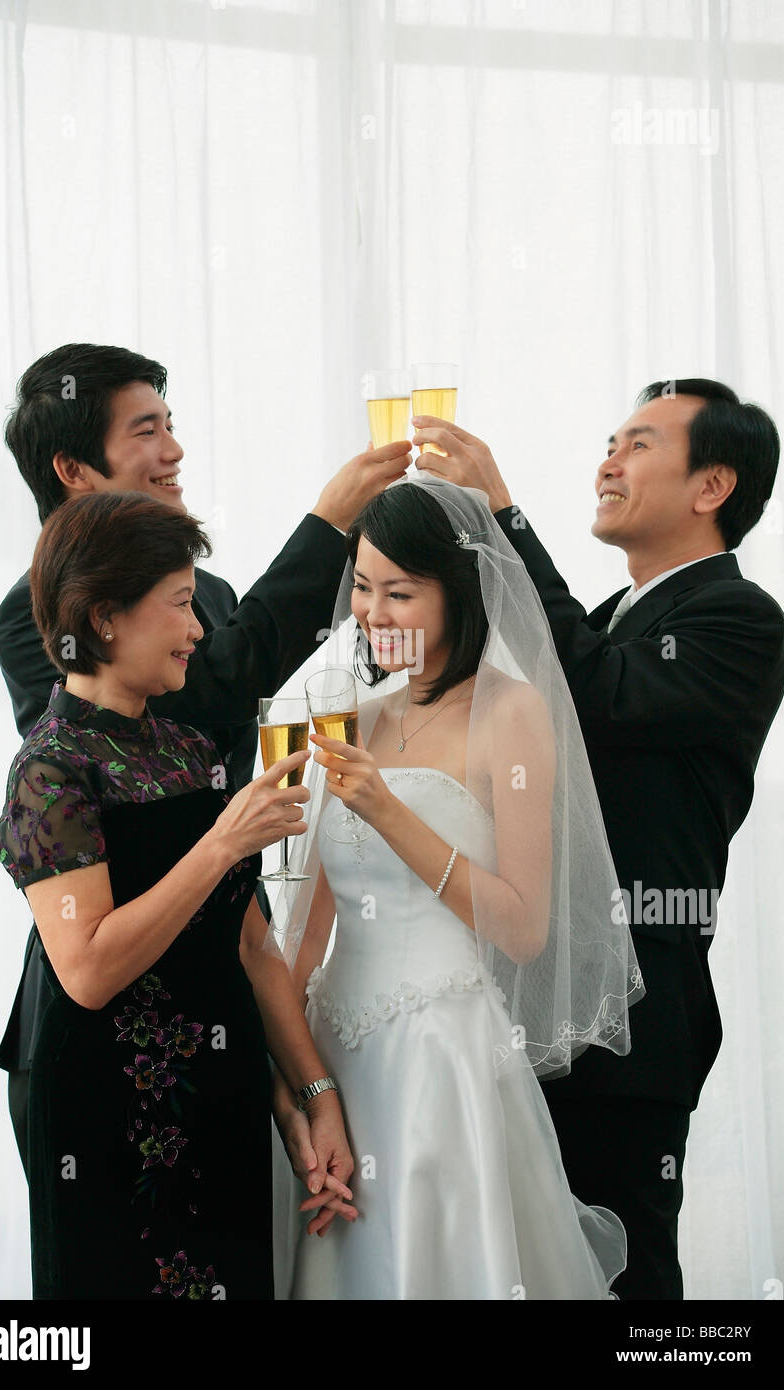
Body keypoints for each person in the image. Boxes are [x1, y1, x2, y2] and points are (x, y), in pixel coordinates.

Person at [408, 381, 784, 1299]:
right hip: (538, 995)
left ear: (712, 487)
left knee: (626, 1276)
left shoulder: (739, 620)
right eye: (609, 441)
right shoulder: (621, 618)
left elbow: (592, 690)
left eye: (639, 445)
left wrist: (502, 515)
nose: (607, 461)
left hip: (635, 1020)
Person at [0, 343, 411, 1181]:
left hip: (219, 1004)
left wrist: (307, 1083)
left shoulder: (210, 598)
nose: (175, 450)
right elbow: (218, 689)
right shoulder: (29, 629)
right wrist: (326, 526)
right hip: (103, 1037)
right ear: (74, 468)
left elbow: (247, 926)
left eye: (172, 423)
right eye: (146, 429)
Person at [270, 475, 644, 1300]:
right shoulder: (360, 718)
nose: (372, 613)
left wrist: (387, 810)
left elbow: (522, 928)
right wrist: (287, 1078)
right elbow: (308, 928)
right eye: (362, 588)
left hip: (440, 1055)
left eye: (400, 591)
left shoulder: (511, 715)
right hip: (335, 1056)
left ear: (461, 591)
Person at [0, 492, 358, 1300]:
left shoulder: (191, 749)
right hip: (107, 1114)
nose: (199, 630)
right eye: (182, 605)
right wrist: (224, 841)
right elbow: (87, 969)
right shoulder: (49, 770)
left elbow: (252, 945)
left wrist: (309, 1097)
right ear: (106, 617)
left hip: (221, 1101)